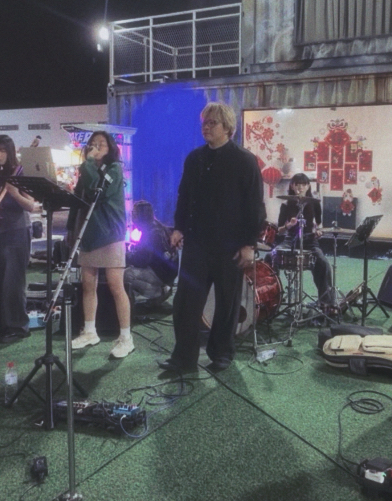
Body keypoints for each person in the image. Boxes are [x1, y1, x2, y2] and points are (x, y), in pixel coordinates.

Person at [160, 103, 265, 373]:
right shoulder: (194, 159)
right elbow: (184, 196)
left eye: (212, 123)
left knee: (227, 303)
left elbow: (254, 205)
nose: (206, 127)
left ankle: (221, 354)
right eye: (204, 123)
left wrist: (249, 244)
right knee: (185, 303)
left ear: (227, 127)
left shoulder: (245, 161)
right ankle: (183, 358)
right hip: (196, 244)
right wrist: (178, 227)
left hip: (231, 246)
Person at [70, 131, 135, 359]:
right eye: (93, 144)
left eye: (101, 144)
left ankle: (126, 337)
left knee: (116, 285)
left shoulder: (114, 169)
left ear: (110, 149)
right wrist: (71, 230)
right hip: (89, 234)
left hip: (110, 234)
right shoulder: (87, 170)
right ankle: (89, 331)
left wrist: (88, 163)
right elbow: (78, 199)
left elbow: (99, 190)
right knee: (88, 284)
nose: (96, 148)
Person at [0, 134, 38, 343]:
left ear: (10, 152)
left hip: (17, 231)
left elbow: (31, 205)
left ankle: (17, 327)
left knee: (13, 282)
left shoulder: (20, 173)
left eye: (2, 150)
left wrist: (15, 193)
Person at [274, 173, 334, 306]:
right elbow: (279, 230)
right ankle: (272, 297)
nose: (300, 187)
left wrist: (318, 231)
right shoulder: (285, 204)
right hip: (290, 240)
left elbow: (319, 224)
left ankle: (326, 303)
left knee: (323, 263)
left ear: (308, 186)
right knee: (270, 257)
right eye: (297, 185)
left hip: (310, 241)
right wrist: (289, 225)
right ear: (292, 186)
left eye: (303, 185)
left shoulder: (315, 203)